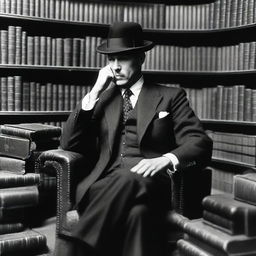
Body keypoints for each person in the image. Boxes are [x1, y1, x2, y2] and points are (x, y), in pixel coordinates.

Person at [60, 22, 213, 256]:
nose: (116, 67)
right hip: (104, 185)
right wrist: (95, 91)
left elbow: (199, 142)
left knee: (132, 179)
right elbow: (69, 143)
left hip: (152, 183)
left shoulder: (170, 96)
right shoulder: (101, 99)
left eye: (122, 58)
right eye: (111, 60)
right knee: (138, 214)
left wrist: (165, 159)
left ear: (141, 58)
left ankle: (78, 246)